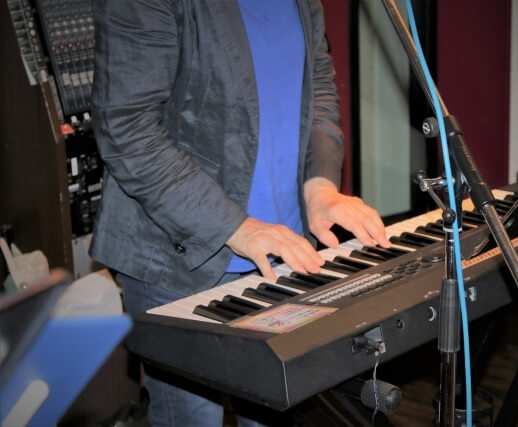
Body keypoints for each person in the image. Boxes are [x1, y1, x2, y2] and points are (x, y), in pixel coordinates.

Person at [90, 0, 390, 426]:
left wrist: (319, 184)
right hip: (177, 261)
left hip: (284, 255)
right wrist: (237, 227)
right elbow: (126, 130)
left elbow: (317, 85)